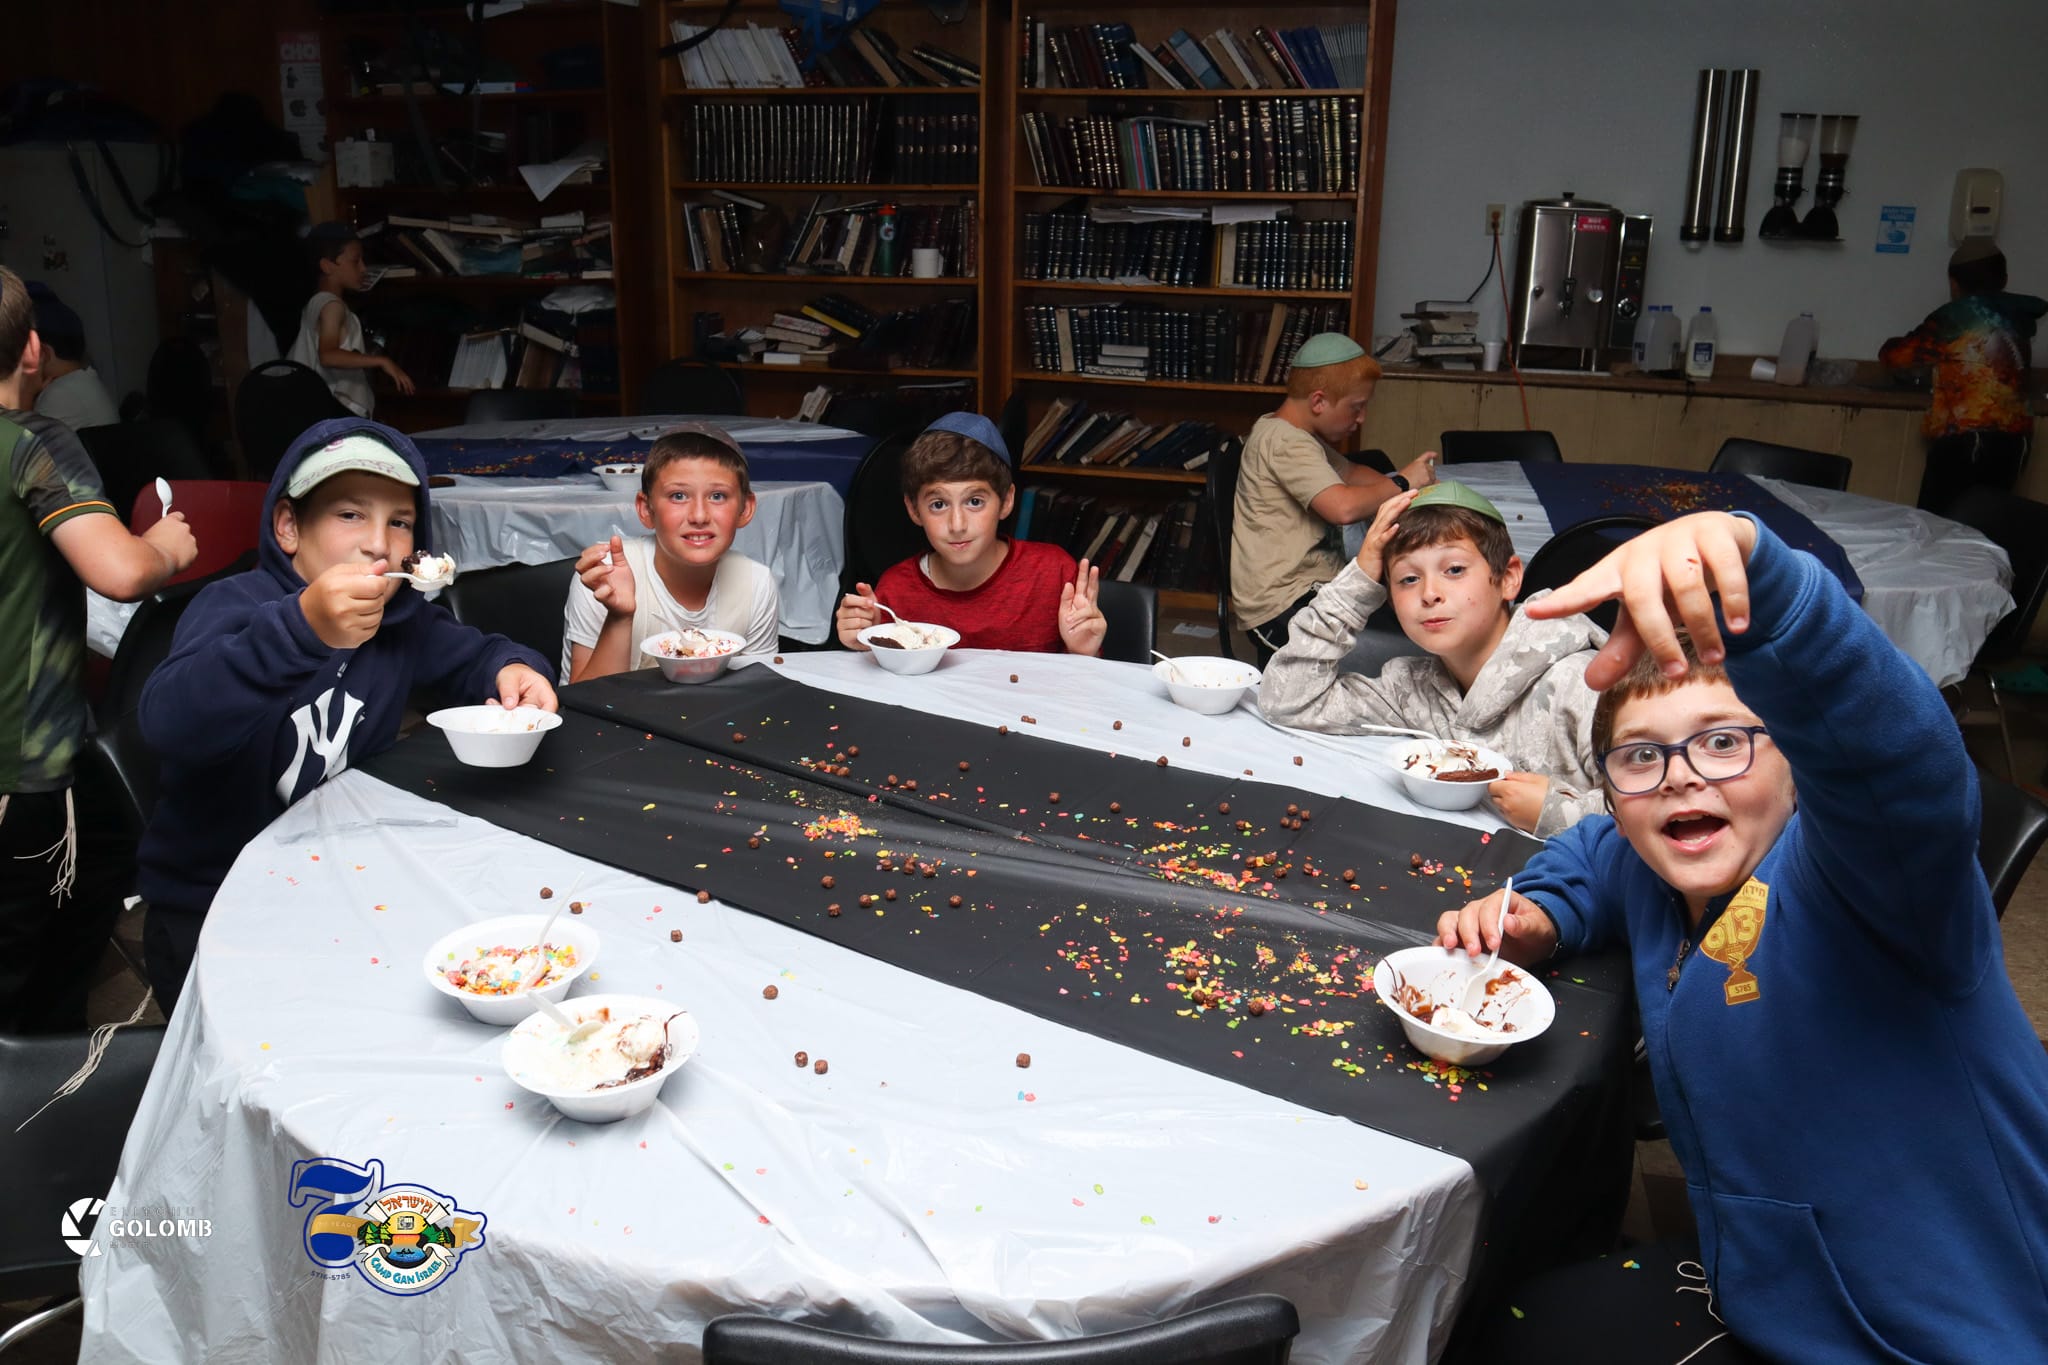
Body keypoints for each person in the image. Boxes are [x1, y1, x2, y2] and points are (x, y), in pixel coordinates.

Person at [1437, 510, 2048, 1363]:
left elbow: (1898, 768)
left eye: (1724, 741)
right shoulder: (1647, 862)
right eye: (1640, 756)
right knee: (1492, 1321)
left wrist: (1776, 594)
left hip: (1952, 1335)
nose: (1680, 774)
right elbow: (1594, 853)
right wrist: (1543, 911)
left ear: (1799, 766)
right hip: (1771, 1295)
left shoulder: (1875, 887)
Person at [136, 418, 556, 1012]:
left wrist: (514, 669)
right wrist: (300, 631)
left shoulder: (402, 622)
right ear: (288, 527)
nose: (379, 543)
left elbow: (476, 656)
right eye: (351, 514)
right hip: (212, 908)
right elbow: (169, 721)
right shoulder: (234, 607)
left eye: (400, 522)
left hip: (337, 886)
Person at [0, 266, 198, 1032]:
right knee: (24, 976)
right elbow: (118, 571)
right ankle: (42, 1070)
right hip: (22, 764)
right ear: (33, 351)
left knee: (110, 840)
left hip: (50, 758)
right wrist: (166, 545)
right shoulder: (33, 442)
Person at [1259, 481, 1606, 835]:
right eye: (1408, 579)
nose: (1429, 593)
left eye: (1454, 570)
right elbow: (1287, 700)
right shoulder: (1411, 689)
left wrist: (1555, 813)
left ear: (1508, 578)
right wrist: (1359, 579)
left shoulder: (1581, 684)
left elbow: (1642, 809)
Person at [1231, 332, 1438, 665]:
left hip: (1309, 588)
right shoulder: (1285, 442)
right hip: (1283, 606)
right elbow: (1343, 508)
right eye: (1356, 407)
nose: (1362, 418)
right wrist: (1402, 482)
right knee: (1411, 642)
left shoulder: (1294, 433)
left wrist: (1413, 492)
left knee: (1403, 614)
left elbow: (1351, 472)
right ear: (1318, 402)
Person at [836, 412, 1105, 655]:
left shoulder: (1053, 574)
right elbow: (885, 684)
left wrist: (1083, 653)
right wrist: (865, 644)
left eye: (975, 502)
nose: (957, 524)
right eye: (938, 505)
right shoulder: (896, 591)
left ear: (1006, 501)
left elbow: (1082, 685)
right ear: (914, 510)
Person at [564, 422, 782, 682]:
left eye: (717, 496)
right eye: (678, 496)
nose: (699, 516)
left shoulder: (756, 584)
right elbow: (583, 699)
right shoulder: (607, 577)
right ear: (646, 509)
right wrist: (619, 618)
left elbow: (758, 691)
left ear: (745, 509)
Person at [1879, 237, 2045, 515]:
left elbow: (1896, 357)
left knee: (1939, 524)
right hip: (2016, 440)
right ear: (2004, 279)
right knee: (1987, 524)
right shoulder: (2017, 316)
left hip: (1967, 439)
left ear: (1954, 283)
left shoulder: (1955, 318)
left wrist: (1892, 343)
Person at [287, 222, 412, 418]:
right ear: (327, 266)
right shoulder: (331, 306)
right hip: (333, 414)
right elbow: (328, 356)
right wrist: (382, 361)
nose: (363, 268)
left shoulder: (317, 303)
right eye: (356, 261)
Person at [25, 282, 120, 432]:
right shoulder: (82, 381)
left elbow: (18, 445)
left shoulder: (60, 394)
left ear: (43, 353)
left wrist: (25, 396)